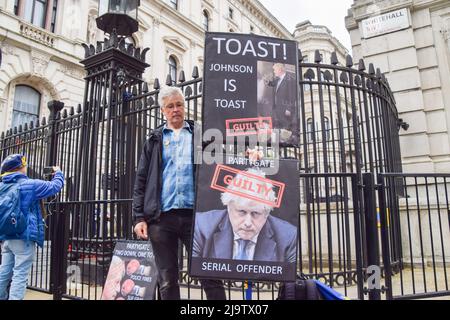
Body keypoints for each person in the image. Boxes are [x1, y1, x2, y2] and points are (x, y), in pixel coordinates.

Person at [132, 86, 226, 300]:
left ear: (184, 107)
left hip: (196, 217)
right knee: (167, 279)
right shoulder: (154, 140)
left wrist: (249, 153)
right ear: (163, 111)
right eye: (170, 106)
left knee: (210, 274)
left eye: (179, 105)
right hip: (161, 218)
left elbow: (224, 158)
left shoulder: (200, 134)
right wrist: (139, 217)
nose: (176, 109)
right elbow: (141, 180)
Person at [192, 168, 297, 263]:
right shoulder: (202, 226)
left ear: (266, 213)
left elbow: (288, 280)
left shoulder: (288, 236)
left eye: (255, 213)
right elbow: (197, 270)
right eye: (241, 211)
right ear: (229, 208)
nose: (248, 223)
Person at [0, 154, 64, 300]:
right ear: (20, 168)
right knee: (20, 274)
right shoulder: (29, 185)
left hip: (6, 236)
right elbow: (55, 186)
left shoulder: (2, 186)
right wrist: (58, 172)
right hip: (24, 236)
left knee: (4, 272)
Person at [266, 63, 298, 142]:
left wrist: (289, 109)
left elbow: (292, 96)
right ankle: (277, 140)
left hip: (285, 108)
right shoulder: (278, 79)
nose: (274, 72)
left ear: (280, 69)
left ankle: (287, 141)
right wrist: (267, 82)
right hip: (277, 108)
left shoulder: (290, 79)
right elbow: (273, 84)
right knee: (277, 125)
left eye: (274, 70)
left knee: (285, 126)